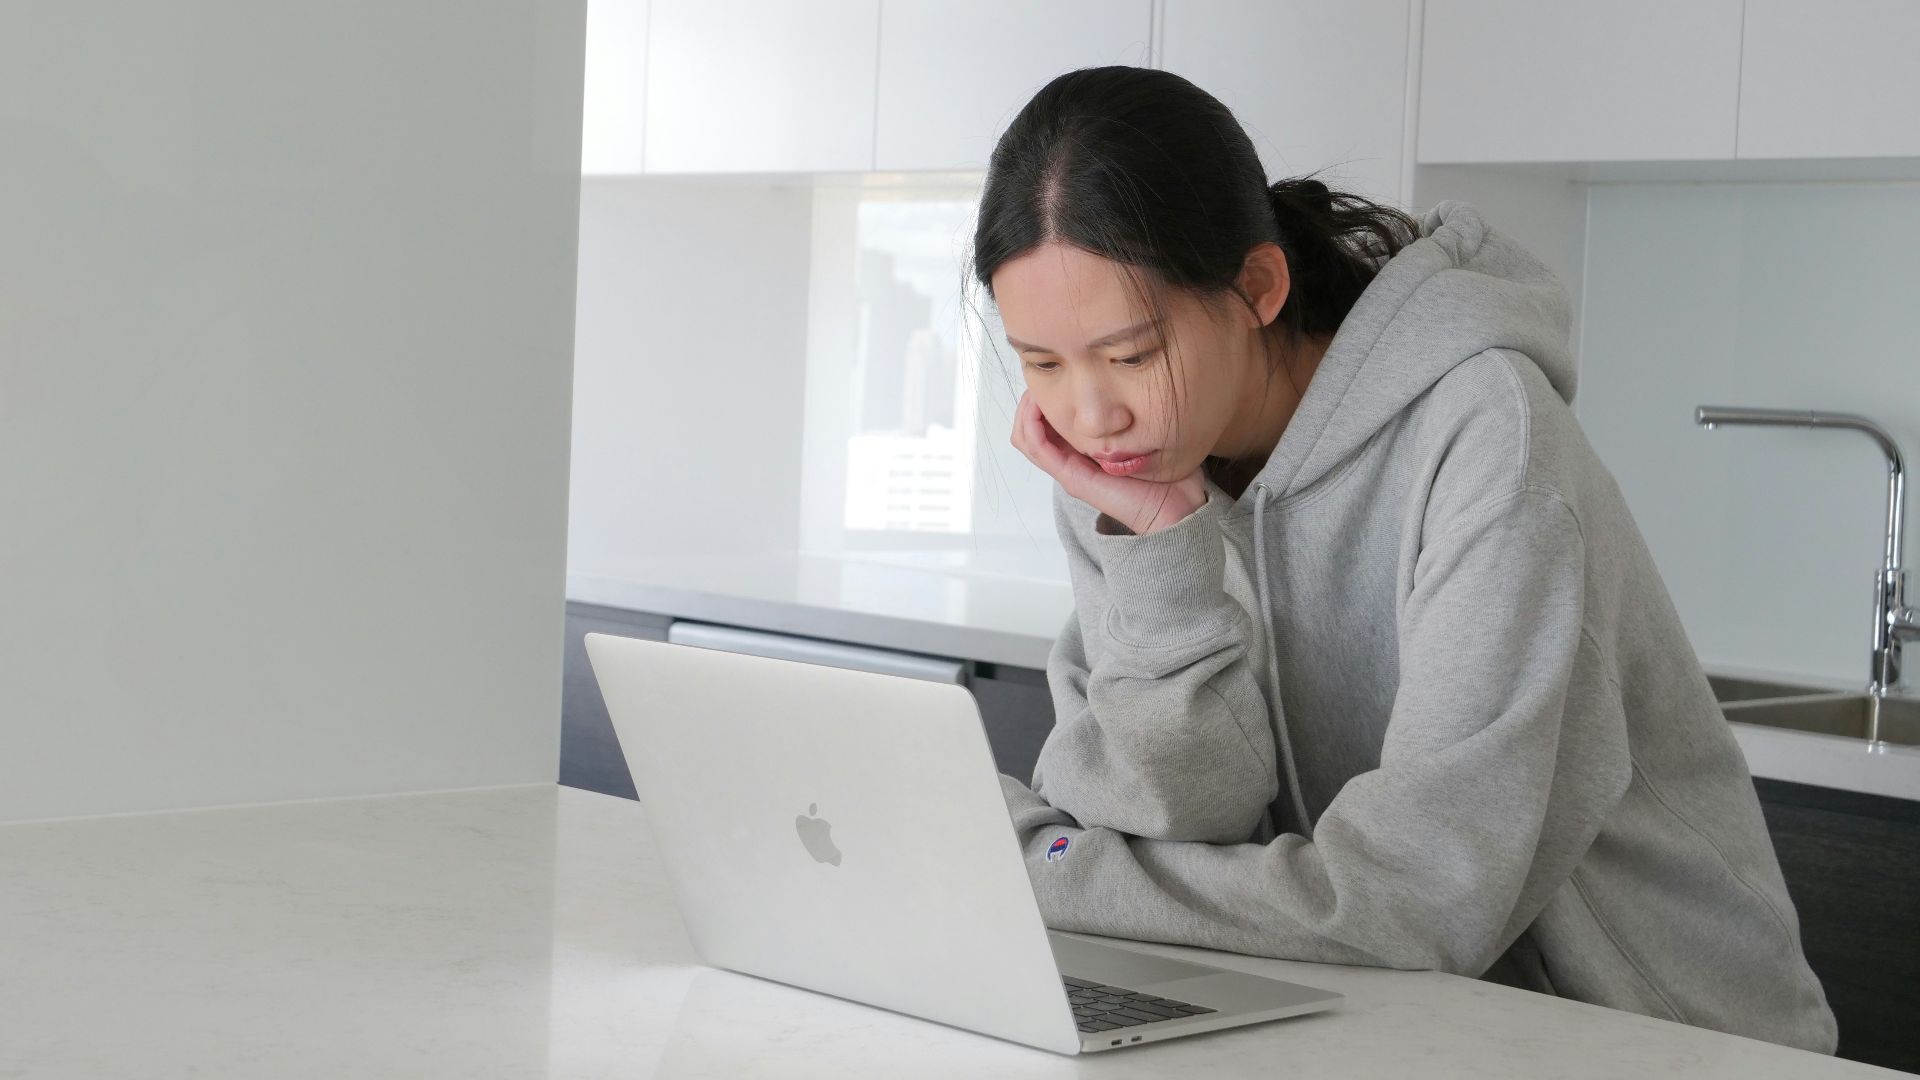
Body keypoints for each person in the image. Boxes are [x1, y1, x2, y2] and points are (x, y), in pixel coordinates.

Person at [973, 65, 1838, 1055]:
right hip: (1383, 1021)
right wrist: (1163, 554)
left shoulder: (1486, 431)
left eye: (1129, 354)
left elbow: (1416, 901)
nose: (1088, 414)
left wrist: (1039, 863)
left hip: (1662, 1041)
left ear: (1257, 286)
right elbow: (1162, 825)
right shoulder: (1123, 464)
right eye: (1041, 362)